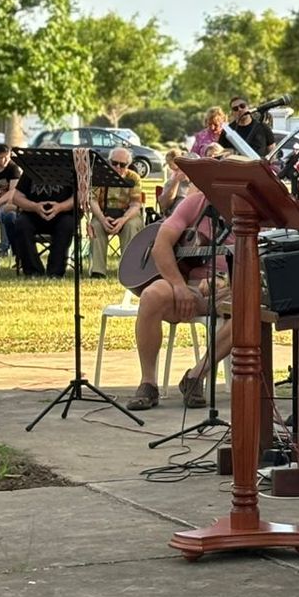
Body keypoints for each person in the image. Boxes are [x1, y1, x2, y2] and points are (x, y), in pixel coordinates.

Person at [126, 189, 233, 411]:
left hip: (234, 289)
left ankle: (196, 375)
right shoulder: (196, 202)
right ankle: (148, 383)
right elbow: (161, 245)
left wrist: (227, 282)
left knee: (250, 310)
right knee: (151, 295)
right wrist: (179, 286)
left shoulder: (256, 208)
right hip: (190, 285)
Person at [8, 158, 78, 278]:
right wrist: (34, 206)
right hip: (33, 214)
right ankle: (33, 271)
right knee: (21, 224)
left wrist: (60, 207)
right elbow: (17, 197)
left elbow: (78, 197)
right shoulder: (30, 172)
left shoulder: (68, 172)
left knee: (67, 225)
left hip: (61, 215)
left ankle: (55, 272)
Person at [88, 147, 147, 278]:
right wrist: (102, 219)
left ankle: (128, 269)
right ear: (109, 162)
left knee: (131, 226)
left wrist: (123, 220)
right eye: (114, 163)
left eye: (122, 164)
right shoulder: (99, 176)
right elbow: (92, 200)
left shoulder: (134, 178)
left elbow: (136, 204)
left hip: (127, 214)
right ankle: (98, 271)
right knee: (96, 226)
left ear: (128, 165)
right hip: (103, 213)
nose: (118, 167)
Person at [156, 149, 193, 216]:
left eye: (171, 164)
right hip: (177, 202)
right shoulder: (174, 175)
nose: (170, 166)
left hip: (185, 198)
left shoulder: (186, 171)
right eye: (168, 164)